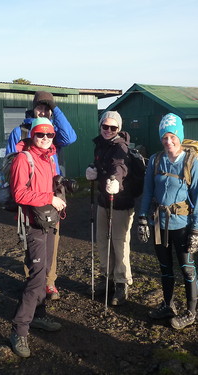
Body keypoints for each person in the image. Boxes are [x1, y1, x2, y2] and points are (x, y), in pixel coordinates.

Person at [6, 91, 77, 300]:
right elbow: (11, 163)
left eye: (47, 108)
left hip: (53, 194)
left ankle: (49, 282)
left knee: (52, 239)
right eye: (40, 107)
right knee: (32, 240)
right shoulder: (20, 132)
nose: (43, 111)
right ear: (33, 107)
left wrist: (55, 110)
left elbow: (70, 137)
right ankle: (33, 282)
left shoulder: (52, 132)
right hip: (30, 194)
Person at [137, 113, 198, 330]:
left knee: (187, 268)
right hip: (159, 224)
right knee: (165, 268)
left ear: (180, 136)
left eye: (172, 136)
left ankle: (191, 312)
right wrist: (142, 218)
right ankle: (168, 305)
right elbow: (147, 191)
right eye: (164, 137)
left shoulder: (191, 162)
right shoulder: (156, 160)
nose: (169, 141)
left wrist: (197, 230)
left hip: (182, 225)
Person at [9, 117, 66, 358]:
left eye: (49, 135)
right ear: (32, 135)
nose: (44, 139)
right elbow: (19, 193)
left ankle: (39, 317)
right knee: (36, 278)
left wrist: (61, 191)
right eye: (40, 135)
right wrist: (49, 199)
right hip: (33, 224)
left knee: (44, 273)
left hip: (49, 221)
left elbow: (51, 186)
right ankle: (19, 330)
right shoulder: (24, 158)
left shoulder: (49, 158)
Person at [85, 111, 135, 306]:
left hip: (120, 203)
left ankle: (122, 283)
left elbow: (120, 167)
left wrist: (116, 180)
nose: (108, 130)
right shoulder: (100, 144)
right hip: (103, 201)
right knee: (102, 241)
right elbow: (102, 166)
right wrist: (94, 171)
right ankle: (107, 278)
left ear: (119, 129)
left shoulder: (121, 146)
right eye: (105, 126)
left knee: (119, 243)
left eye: (113, 127)